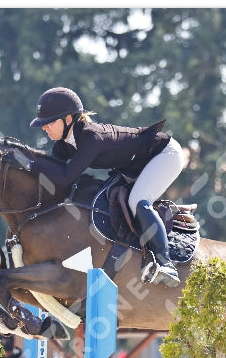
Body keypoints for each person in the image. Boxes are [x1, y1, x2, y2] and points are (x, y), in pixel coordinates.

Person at [28, 87, 183, 287]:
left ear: (68, 119)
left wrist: (30, 165)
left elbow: (65, 177)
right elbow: (53, 174)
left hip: (165, 154)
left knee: (137, 200)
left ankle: (166, 263)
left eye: (49, 122)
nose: (44, 127)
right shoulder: (63, 145)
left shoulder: (91, 137)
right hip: (136, 165)